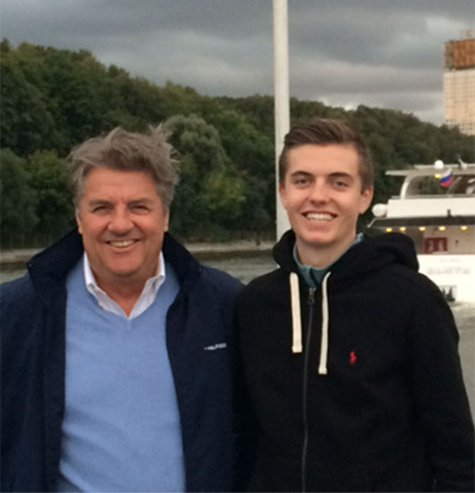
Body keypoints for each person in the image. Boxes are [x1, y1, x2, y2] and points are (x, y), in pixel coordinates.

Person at [1, 126, 246, 493]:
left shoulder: (223, 306)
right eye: (101, 208)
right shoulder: (17, 314)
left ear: (165, 216)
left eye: (138, 207)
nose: (119, 224)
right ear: (79, 218)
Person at [237, 118, 474, 492]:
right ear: (283, 192)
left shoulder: (413, 302)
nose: (318, 196)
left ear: (364, 196)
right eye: (303, 180)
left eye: (338, 182)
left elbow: (457, 455)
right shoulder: (255, 305)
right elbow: (244, 439)